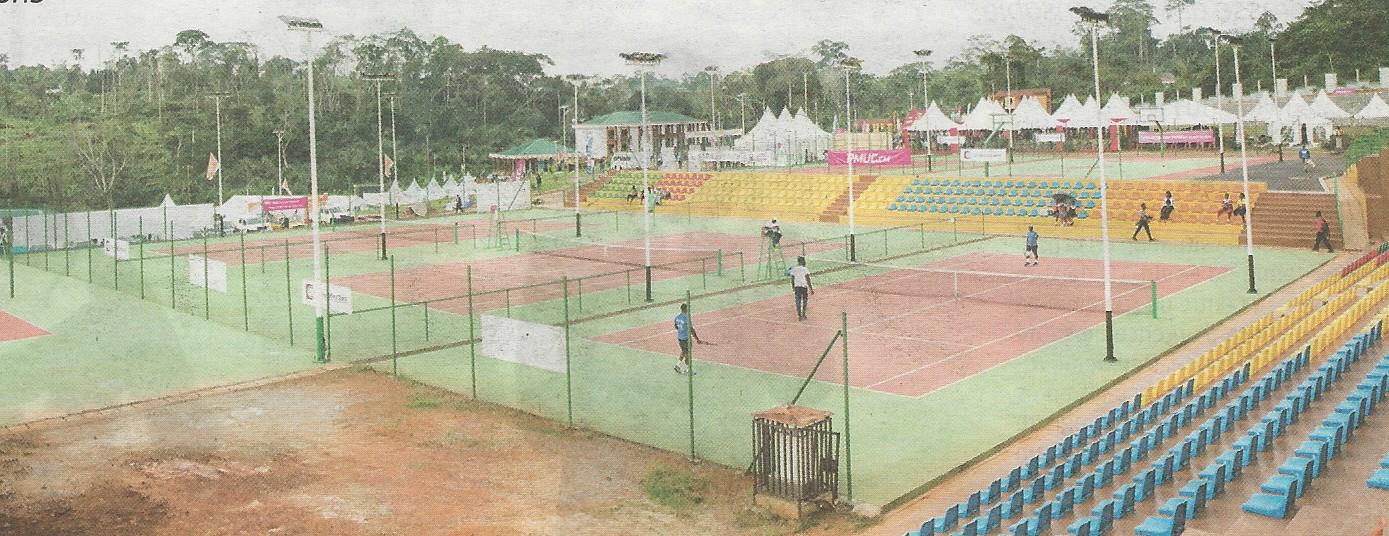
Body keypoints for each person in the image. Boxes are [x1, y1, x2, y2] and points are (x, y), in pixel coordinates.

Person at [672, 303, 705, 374]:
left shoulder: (677, 317)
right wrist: (697, 339)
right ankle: (688, 370)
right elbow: (691, 329)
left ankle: (677, 365)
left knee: (683, 351)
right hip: (686, 338)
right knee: (688, 354)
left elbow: (676, 326)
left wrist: (681, 330)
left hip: (680, 338)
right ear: (686, 309)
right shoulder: (687, 318)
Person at [788, 256, 814, 320]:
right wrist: (811, 288)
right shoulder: (805, 269)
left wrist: (793, 286)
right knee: (805, 300)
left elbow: (792, 279)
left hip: (797, 287)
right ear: (802, 261)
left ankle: (799, 315)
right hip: (804, 286)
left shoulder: (794, 269)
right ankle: (804, 314)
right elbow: (808, 279)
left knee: (798, 301)